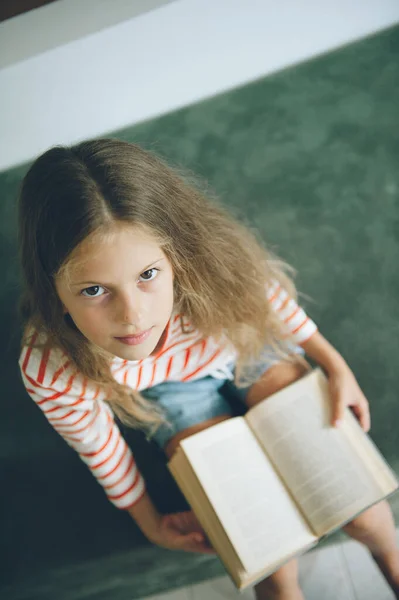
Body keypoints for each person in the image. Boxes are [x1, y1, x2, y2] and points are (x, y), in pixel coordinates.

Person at [18, 139, 399, 600]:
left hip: (245, 347)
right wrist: (150, 520)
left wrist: (335, 365)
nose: (133, 316)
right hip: (169, 394)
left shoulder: (211, 259)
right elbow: (99, 446)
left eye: (148, 275)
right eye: (95, 290)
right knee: (270, 557)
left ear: (174, 254)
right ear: (52, 285)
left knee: (359, 505)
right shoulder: (50, 365)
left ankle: (392, 561)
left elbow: (269, 299)